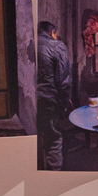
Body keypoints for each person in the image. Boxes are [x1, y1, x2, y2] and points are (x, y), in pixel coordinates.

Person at [35, 17, 73, 170]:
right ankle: (53, 177)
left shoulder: (29, 44)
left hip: (29, 102)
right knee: (53, 139)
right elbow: (63, 79)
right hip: (48, 101)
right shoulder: (57, 46)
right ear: (52, 32)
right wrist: (64, 103)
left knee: (36, 139)